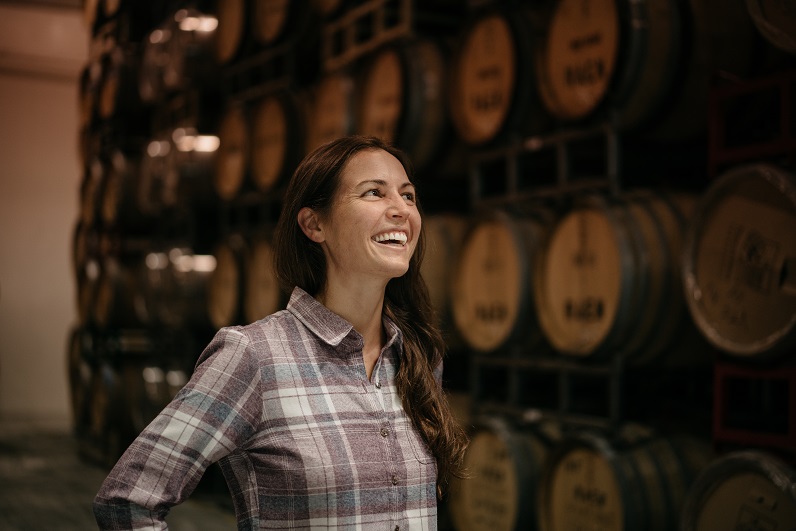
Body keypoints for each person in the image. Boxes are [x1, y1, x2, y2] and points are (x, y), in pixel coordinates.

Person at [93, 135, 469, 529]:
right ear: (314, 224)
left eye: (408, 196)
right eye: (374, 193)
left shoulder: (417, 355)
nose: (401, 210)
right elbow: (128, 500)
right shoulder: (254, 355)